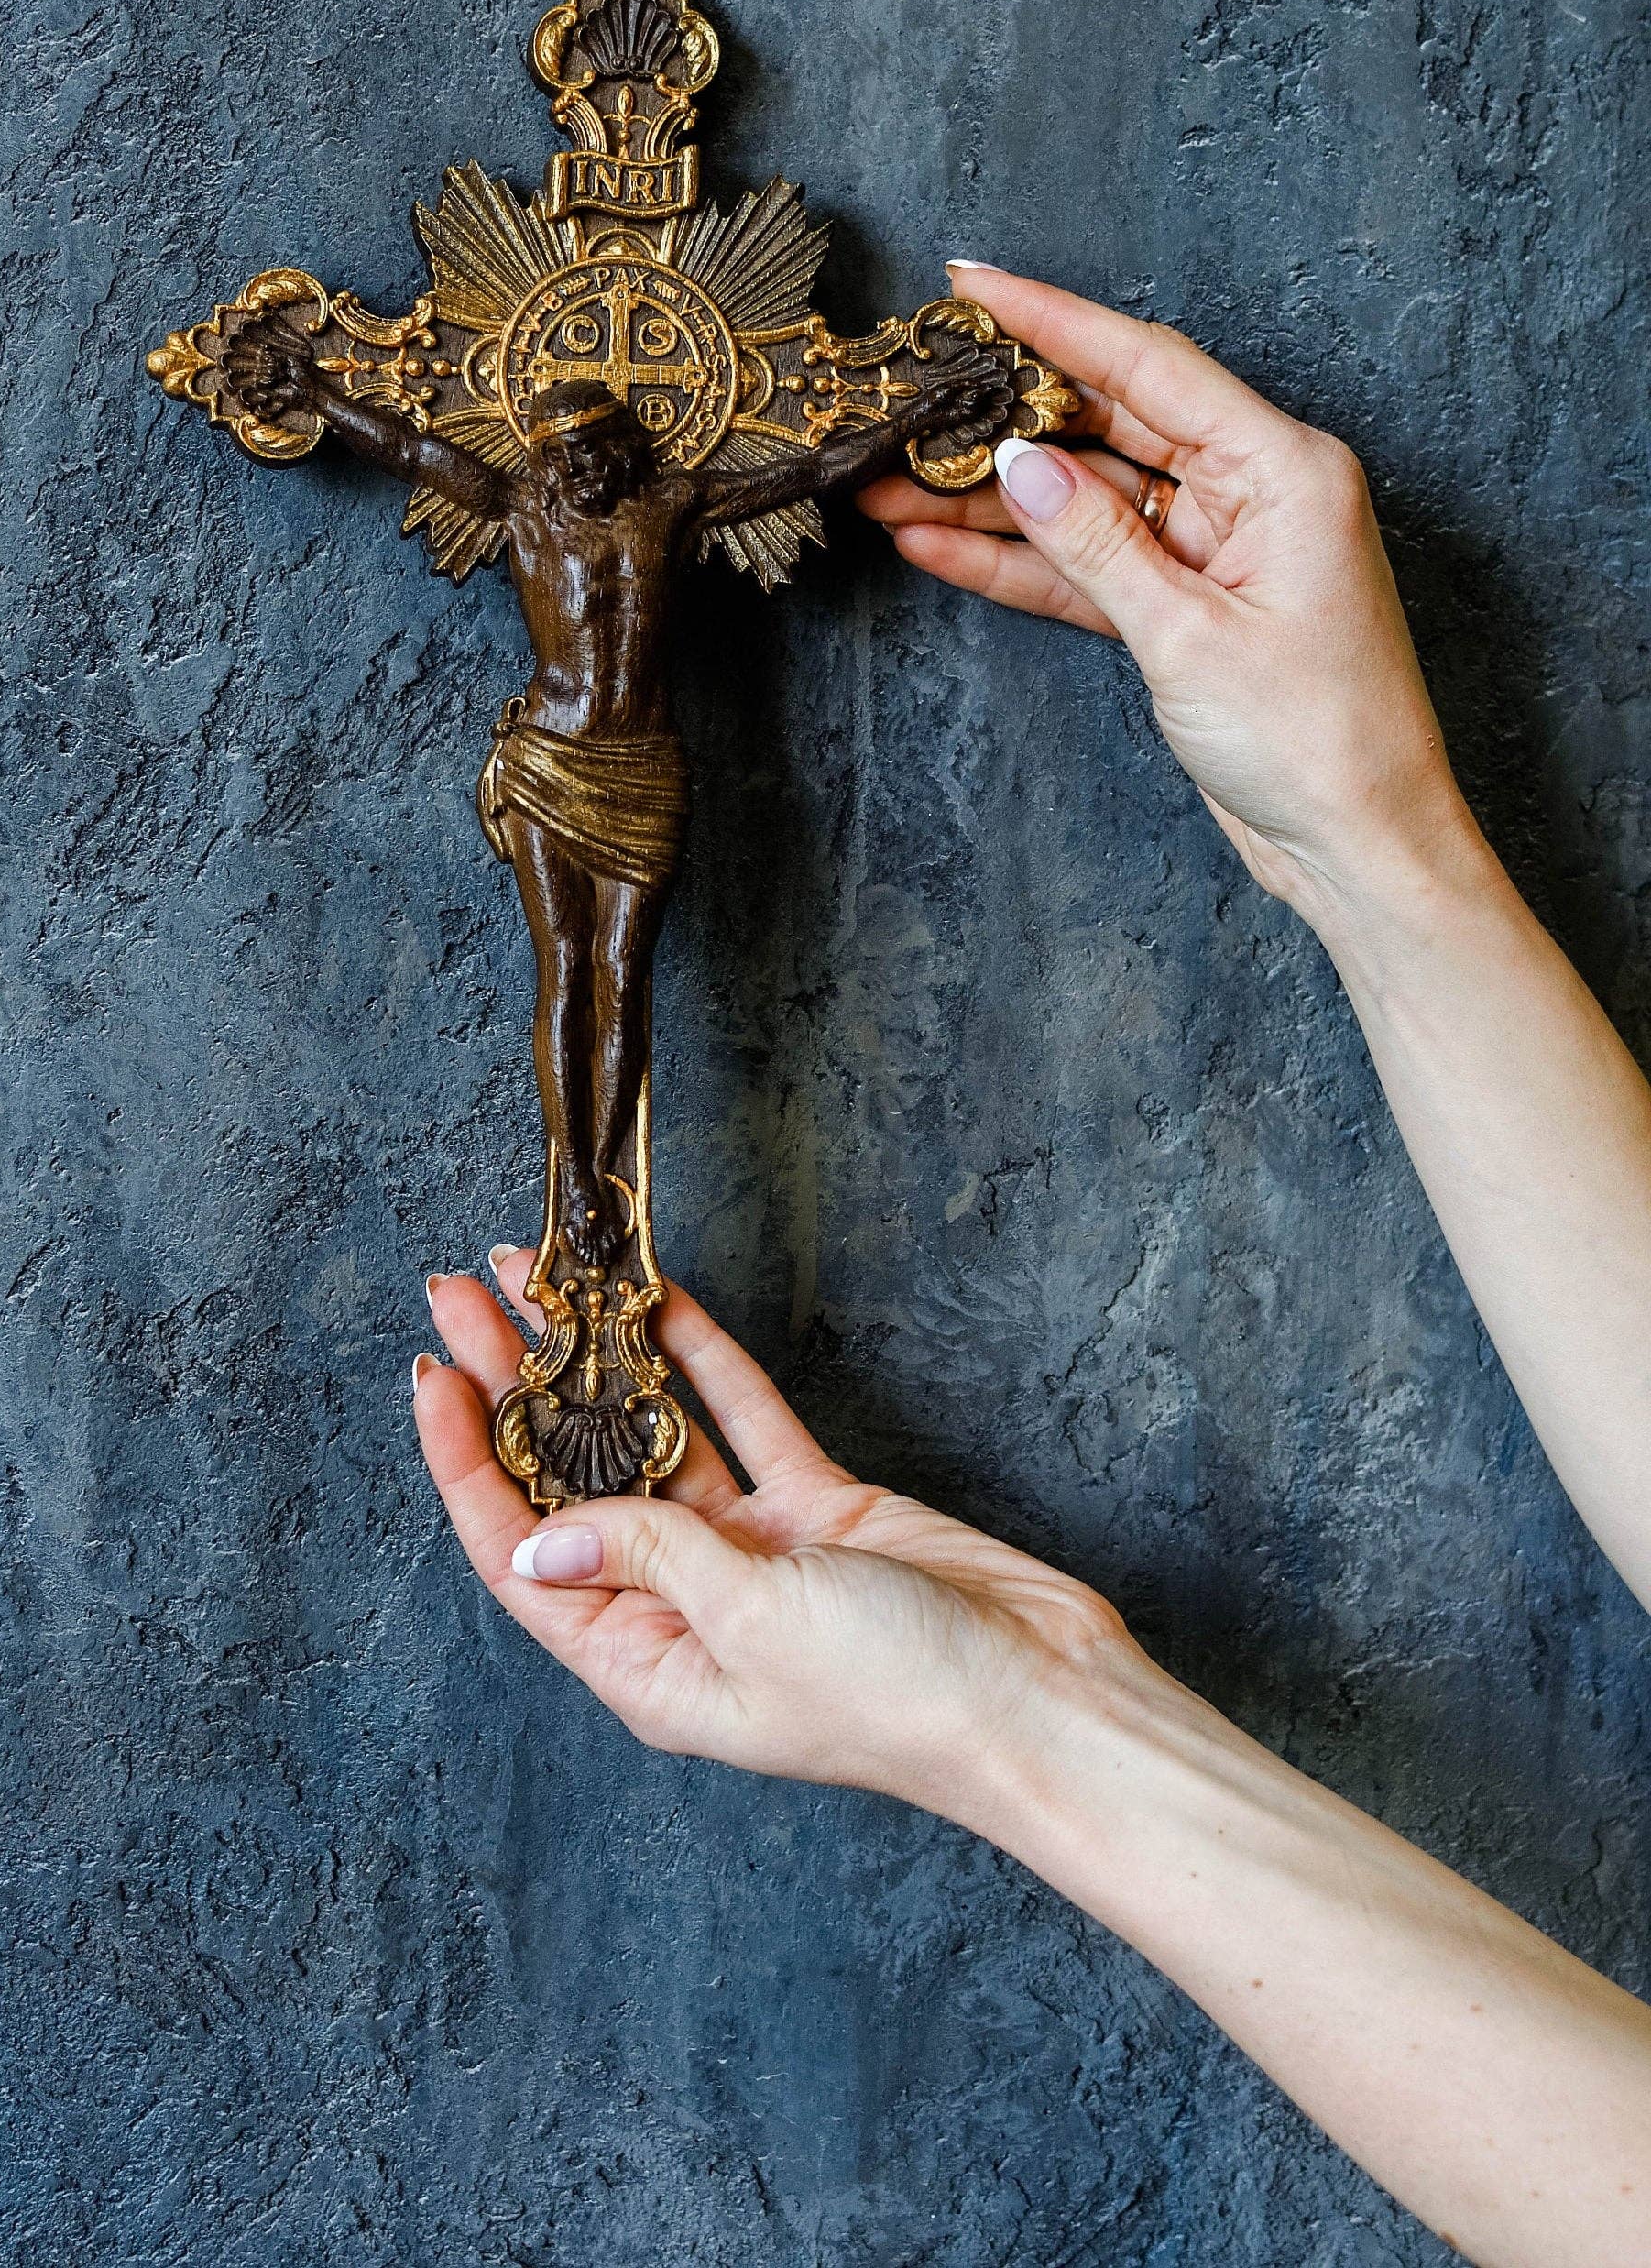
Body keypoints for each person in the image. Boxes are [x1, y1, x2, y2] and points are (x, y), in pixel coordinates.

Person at [410, 264, 1651, 2265]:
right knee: (581, 1025)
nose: (590, 442)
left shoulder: (672, 488)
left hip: (632, 780)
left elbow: (805, 432)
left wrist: (1021, 1730)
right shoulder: (548, 491)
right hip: (560, 764)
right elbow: (381, 402)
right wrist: (1367, 837)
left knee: (608, 1022)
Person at [223, 319, 1005, 1264]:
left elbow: (807, 472)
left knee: (625, 970)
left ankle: (600, 1160)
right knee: (564, 966)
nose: (580, 469)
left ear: (624, 445)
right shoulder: (518, 507)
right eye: (562, 456)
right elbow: (410, 448)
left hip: (645, 764)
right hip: (547, 760)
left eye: (593, 450)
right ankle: (579, 1184)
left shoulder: (673, 504)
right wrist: (314, 393)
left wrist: (915, 413)